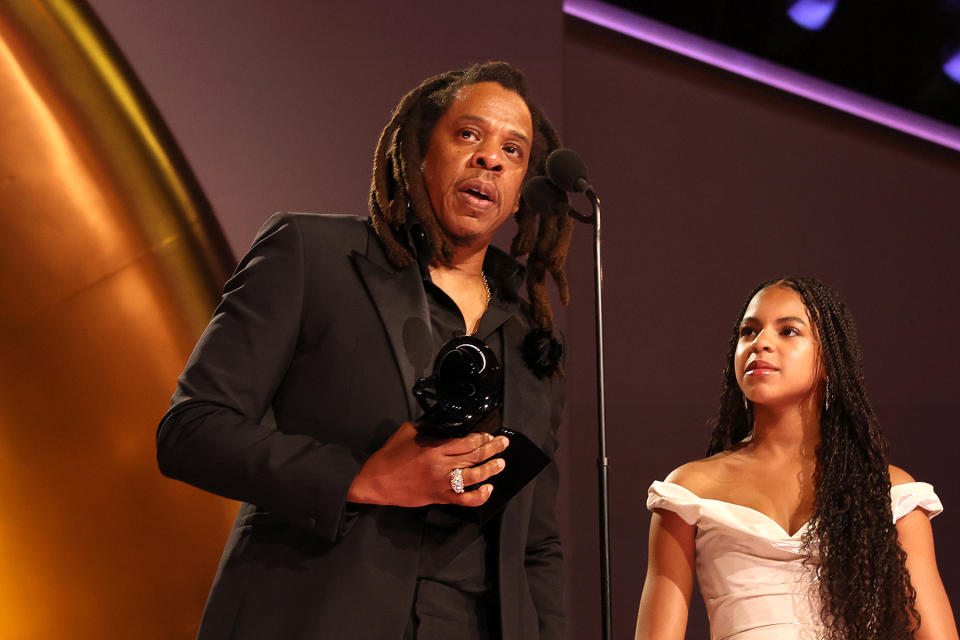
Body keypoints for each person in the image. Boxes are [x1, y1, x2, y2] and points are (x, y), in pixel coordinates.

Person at [157, 61, 573, 640]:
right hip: (315, 616)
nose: (491, 159)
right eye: (469, 134)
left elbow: (537, 542)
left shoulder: (532, 333)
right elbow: (191, 430)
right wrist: (362, 478)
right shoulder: (312, 256)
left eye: (514, 150)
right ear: (420, 149)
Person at [634, 277, 958, 640]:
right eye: (748, 331)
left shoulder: (891, 494)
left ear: (829, 359)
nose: (761, 343)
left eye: (788, 330)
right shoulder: (688, 491)